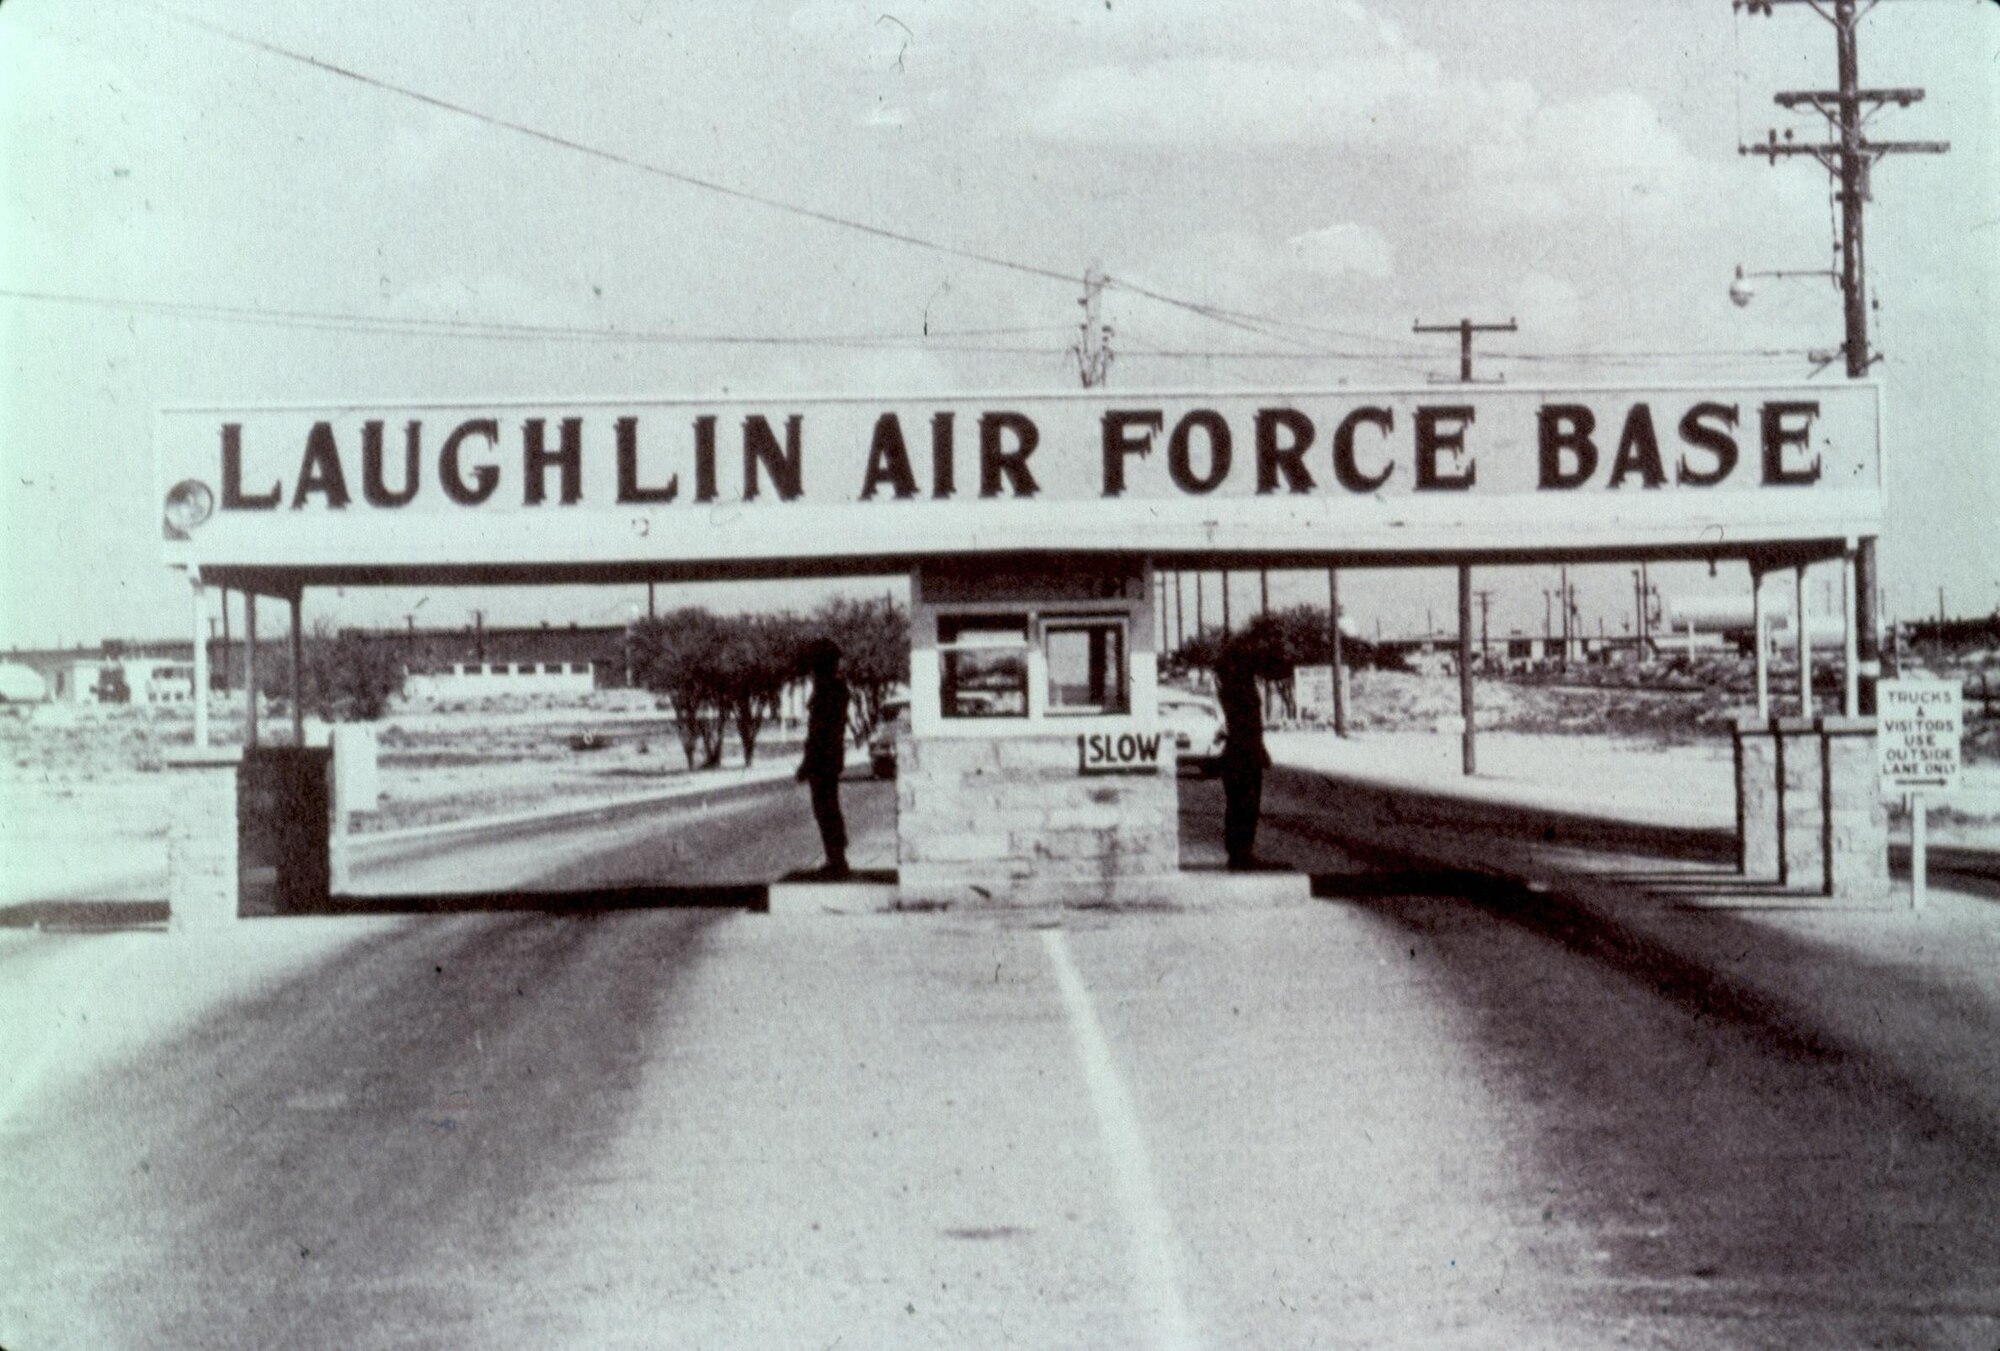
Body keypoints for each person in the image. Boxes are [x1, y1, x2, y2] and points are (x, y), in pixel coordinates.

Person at [1215, 622, 1289, 871]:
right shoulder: (1237, 686)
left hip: (1244, 752)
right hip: (1241, 753)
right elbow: (1243, 725)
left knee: (1245, 805)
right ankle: (1240, 855)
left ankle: (1241, 854)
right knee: (1244, 805)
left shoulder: (1239, 682)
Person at [796, 637, 850, 879]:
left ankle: (836, 859)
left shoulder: (828, 689)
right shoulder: (833, 687)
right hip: (829, 756)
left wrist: (807, 763)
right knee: (827, 808)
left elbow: (819, 731)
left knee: (826, 809)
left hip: (823, 757)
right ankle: (836, 857)